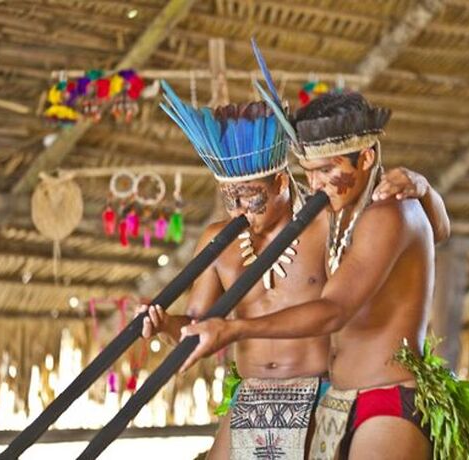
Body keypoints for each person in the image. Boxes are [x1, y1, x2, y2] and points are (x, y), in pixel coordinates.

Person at [139, 82, 450, 459]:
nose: (316, 185)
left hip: (381, 394)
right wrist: (165, 324)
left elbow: (334, 310)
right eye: (309, 172)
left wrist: (235, 329)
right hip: (339, 401)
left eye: (324, 171)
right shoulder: (345, 213)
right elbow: (439, 230)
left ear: (365, 159)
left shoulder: (381, 213)